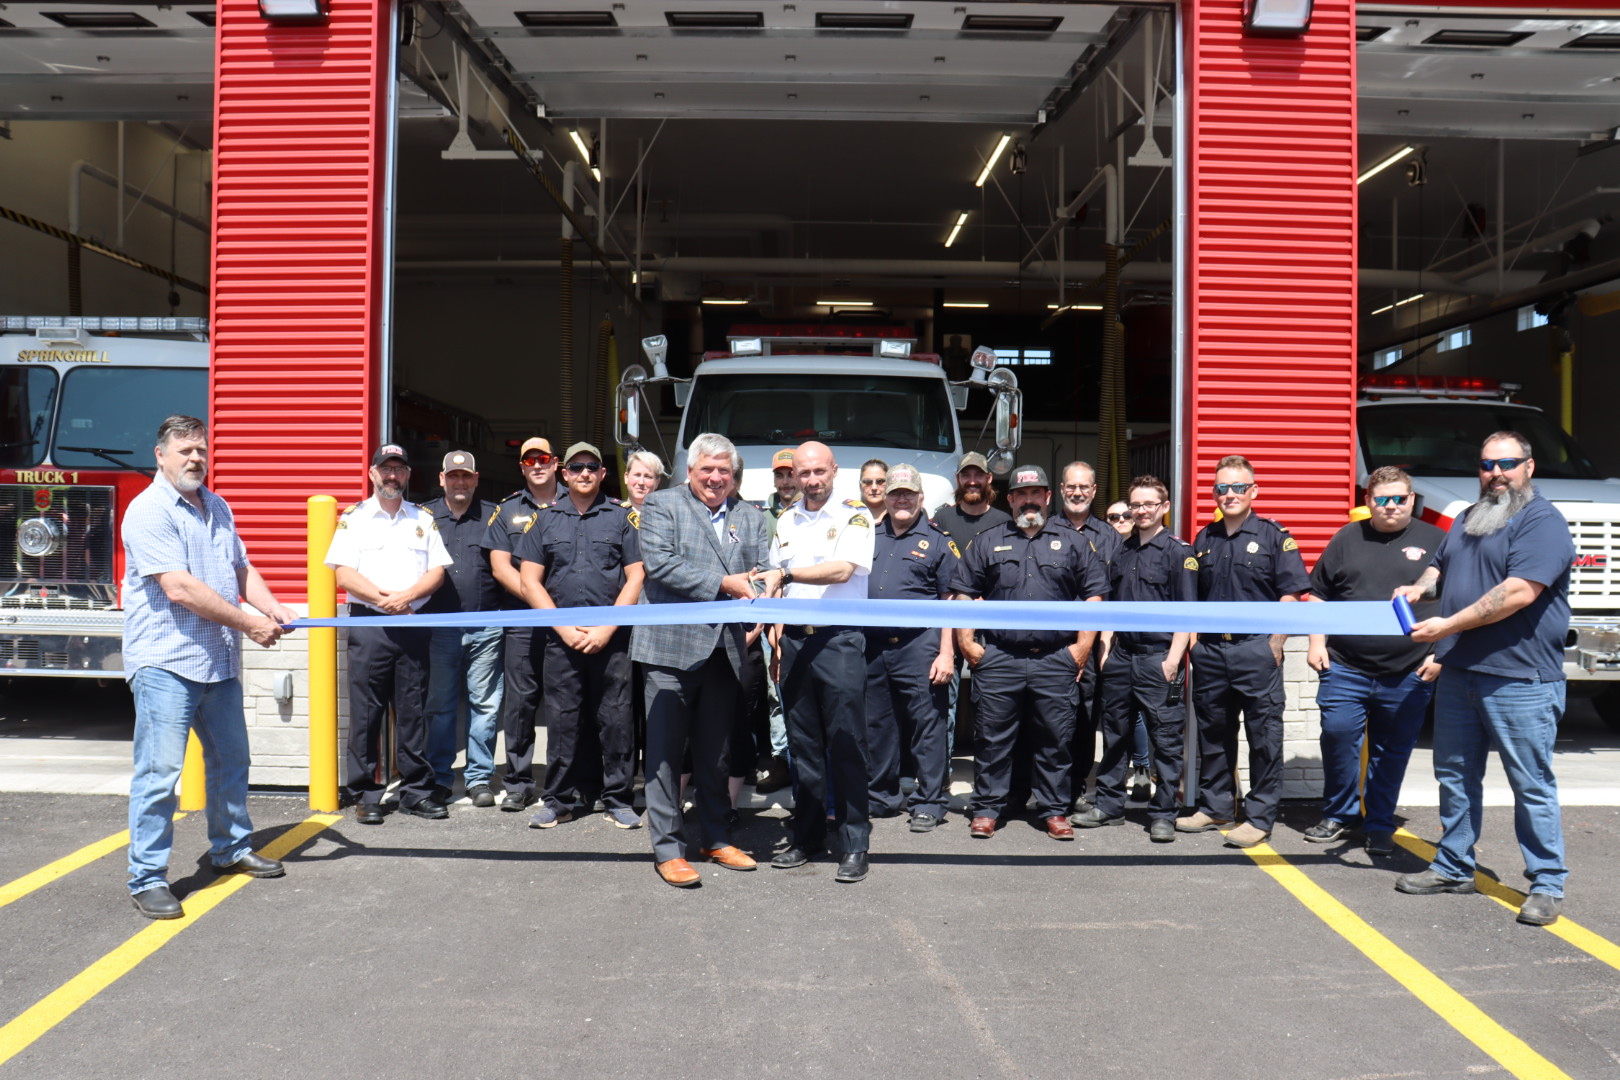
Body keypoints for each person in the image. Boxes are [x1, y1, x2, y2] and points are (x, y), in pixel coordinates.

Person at [1393, 432, 1574, 926]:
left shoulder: (1541, 522)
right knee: (1454, 776)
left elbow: (1518, 592)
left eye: (1507, 464)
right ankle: (1453, 866)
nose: (1496, 473)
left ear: (1529, 468)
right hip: (1462, 672)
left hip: (1520, 678)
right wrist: (1420, 587)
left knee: (1530, 783)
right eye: (1487, 464)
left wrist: (1447, 625)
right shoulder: (1468, 518)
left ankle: (1546, 883)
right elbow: (1440, 568)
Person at [121, 414, 297, 920]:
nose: (195, 458)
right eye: (184, 451)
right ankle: (147, 877)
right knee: (159, 776)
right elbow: (179, 587)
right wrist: (250, 624)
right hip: (166, 663)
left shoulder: (217, 506)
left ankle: (230, 849)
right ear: (161, 455)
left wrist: (272, 607)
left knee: (231, 761)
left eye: (201, 450)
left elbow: (239, 567)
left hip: (216, 662)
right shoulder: (148, 510)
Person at [632, 433, 770, 887]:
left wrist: (761, 603)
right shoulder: (661, 505)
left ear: (734, 476)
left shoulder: (750, 516)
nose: (715, 478)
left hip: (727, 649)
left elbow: (762, 572)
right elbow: (661, 564)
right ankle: (668, 849)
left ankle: (714, 836)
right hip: (670, 649)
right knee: (666, 755)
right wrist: (728, 584)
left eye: (724, 471)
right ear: (689, 471)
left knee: (716, 754)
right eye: (707, 469)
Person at [951, 464, 1108, 841]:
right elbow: (964, 593)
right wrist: (968, 644)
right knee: (991, 738)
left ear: (1047, 497)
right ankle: (988, 808)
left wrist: (1082, 648)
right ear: (1010, 499)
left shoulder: (1074, 542)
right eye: (1021, 494)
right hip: (1001, 657)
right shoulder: (988, 541)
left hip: (1056, 657)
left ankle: (1055, 811)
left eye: (1035, 493)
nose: (1028, 500)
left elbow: (1094, 596)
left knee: (1056, 738)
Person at [755, 441, 876, 883]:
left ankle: (853, 844)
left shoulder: (854, 514)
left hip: (839, 641)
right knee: (803, 746)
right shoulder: (786, 520)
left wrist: (786, 575)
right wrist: (774, 636)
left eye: (818, 471)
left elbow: (843, 570)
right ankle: (807, 837)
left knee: (846, 744)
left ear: (834, 470)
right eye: (803, 473)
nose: (810, 480)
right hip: (795, 644)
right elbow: (774, 584)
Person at [1305, 466, 1444, 853]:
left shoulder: (1437, 541)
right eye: (1382, 499)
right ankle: (1339, 814)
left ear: (1412, 500)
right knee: (1337, 737)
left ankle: (1380, 823)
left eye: (1400, 498)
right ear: (1368, 501)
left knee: (1391, 752)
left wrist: (1441, 655)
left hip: (1408, 671)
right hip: (1345, 665)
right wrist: (1316, 643)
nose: (1391, 506)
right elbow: (1318, 595)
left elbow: (1460, 603)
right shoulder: (1347, 538)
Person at [1177, 455, 1310, 847]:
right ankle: (1216, 806)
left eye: (1238, 487)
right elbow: (1193, 599)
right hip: (1212, 653)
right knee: (1214, 734)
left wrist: (1275, 644)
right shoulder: (1204, 539)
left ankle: (1259, 816)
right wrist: (1198, 644)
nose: (1229, 494)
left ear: (1254, 490)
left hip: (1256, 651)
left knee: (1264, 736)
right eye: (1222, 488)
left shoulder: (1274, 536)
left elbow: (1291, 594)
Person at [517, 442, 645, 829]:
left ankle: (618, 798)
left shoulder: (622, 519)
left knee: (616, 719)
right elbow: (529, 579)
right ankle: (558, 799)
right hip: (562, 640)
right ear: (564, 473)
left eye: (592, 467)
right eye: (577, 468)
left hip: (613, 639)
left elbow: (637, 575)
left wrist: (608, 628)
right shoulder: (545, 521)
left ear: (603, 474)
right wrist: (564, 628)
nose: (585, 473)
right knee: (562, 720)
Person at [324, 443, 454, 824]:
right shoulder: (354, 518)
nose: (392, 475)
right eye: (385, 469)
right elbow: (344, 573)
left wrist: (408, 598)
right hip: (370, 625)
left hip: (413, 624)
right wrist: (387, 601)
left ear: (408, 475)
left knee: (413, 710)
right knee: (367, 712)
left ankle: (415, 791)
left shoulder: (423, 519)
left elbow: (436, 571)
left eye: (399, 469)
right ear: (372, 474)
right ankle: (367, 794)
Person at [1076, 475, 1195, 842]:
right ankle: (1110, 805)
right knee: (1115, 735)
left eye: (1148, 505)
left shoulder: (1179, 553)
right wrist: (1107, 649)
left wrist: (1174, 659)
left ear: (1164, 508)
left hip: (1161, 660)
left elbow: (1188, 613)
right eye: (1136, 506)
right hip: (1122, 658)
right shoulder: (1121, 551)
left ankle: (1163, 813)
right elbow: (1111, 607)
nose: (1141, 511)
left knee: (1166, 740)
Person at [863, 464, 958, 832]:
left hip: (920, 645)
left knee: (927, 725)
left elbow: (949, 599)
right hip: (873, 646)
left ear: (920, 498)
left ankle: (929, 801)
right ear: (885, 497)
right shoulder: (868, 537)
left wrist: (946, 652)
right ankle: (882, 797)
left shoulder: (938, 542)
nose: (901, 499)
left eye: (908, 493)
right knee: (877, 726)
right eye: (895, 493)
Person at [482, 436, 563, 812]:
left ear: (556, 462)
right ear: (522, 467)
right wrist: (540, 602)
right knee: (520, 703)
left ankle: (569, 781)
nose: (537, 465)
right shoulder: (507, 510)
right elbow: (500, 566)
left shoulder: (578, 500)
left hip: (570, 620)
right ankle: (518, 781)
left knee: (568, 701)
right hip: (524, 620)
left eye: (543, 458)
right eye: (529, 460)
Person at [422, 451, 505, 807]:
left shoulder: (493, 516)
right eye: (453, 476)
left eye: (466, 476)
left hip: (486, 626)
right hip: (439, 628)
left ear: (476, 479)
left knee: (484, 705)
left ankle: (478, 778)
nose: (459, 482)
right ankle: (440, 777)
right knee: (439, 706)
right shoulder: (422, 516)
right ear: (442, 479)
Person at [1052, 460, 1123, 813]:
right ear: (1061, 489)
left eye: (1084, 487)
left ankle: (1075, 787)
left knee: (1083, 721)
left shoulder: (1110, 537)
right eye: (1071, 486)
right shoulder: (1045, 529)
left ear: (1094, 491)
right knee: (1047, 720)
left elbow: (1115, 595)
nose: (1077, 492)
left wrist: (1101, 647)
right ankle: (1043, 788)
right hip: (1051, 645)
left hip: (1094, 645)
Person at [931, 452, 1010, 552]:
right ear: (957, 479)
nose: (972, 482)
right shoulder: (942, 519)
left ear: (989, 478)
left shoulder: (1003, 522)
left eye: (979, 475)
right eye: (966, 475)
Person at [859, 459, 889, 523]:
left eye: (880, 481)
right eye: (868, 482)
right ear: (860, 486)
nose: (874, 488)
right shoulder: (848, 516)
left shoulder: (899, 519)